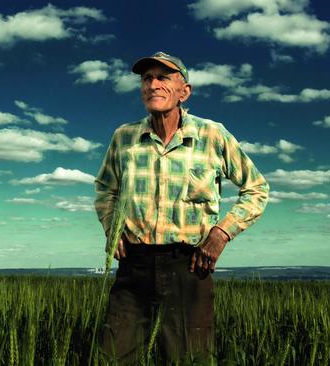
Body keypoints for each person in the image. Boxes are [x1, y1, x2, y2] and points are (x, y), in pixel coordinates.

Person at [94, 51, 269, 364]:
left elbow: (256, 188)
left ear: (184, 92)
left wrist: (221, 233)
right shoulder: (124, 138)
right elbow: (106, 189)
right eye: (147, 78)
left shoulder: (212, 135)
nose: (153, 84)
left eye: (163, 77)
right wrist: (112, 226)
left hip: (189, 267)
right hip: (133, 268)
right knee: (112, 357)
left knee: (190, 359)